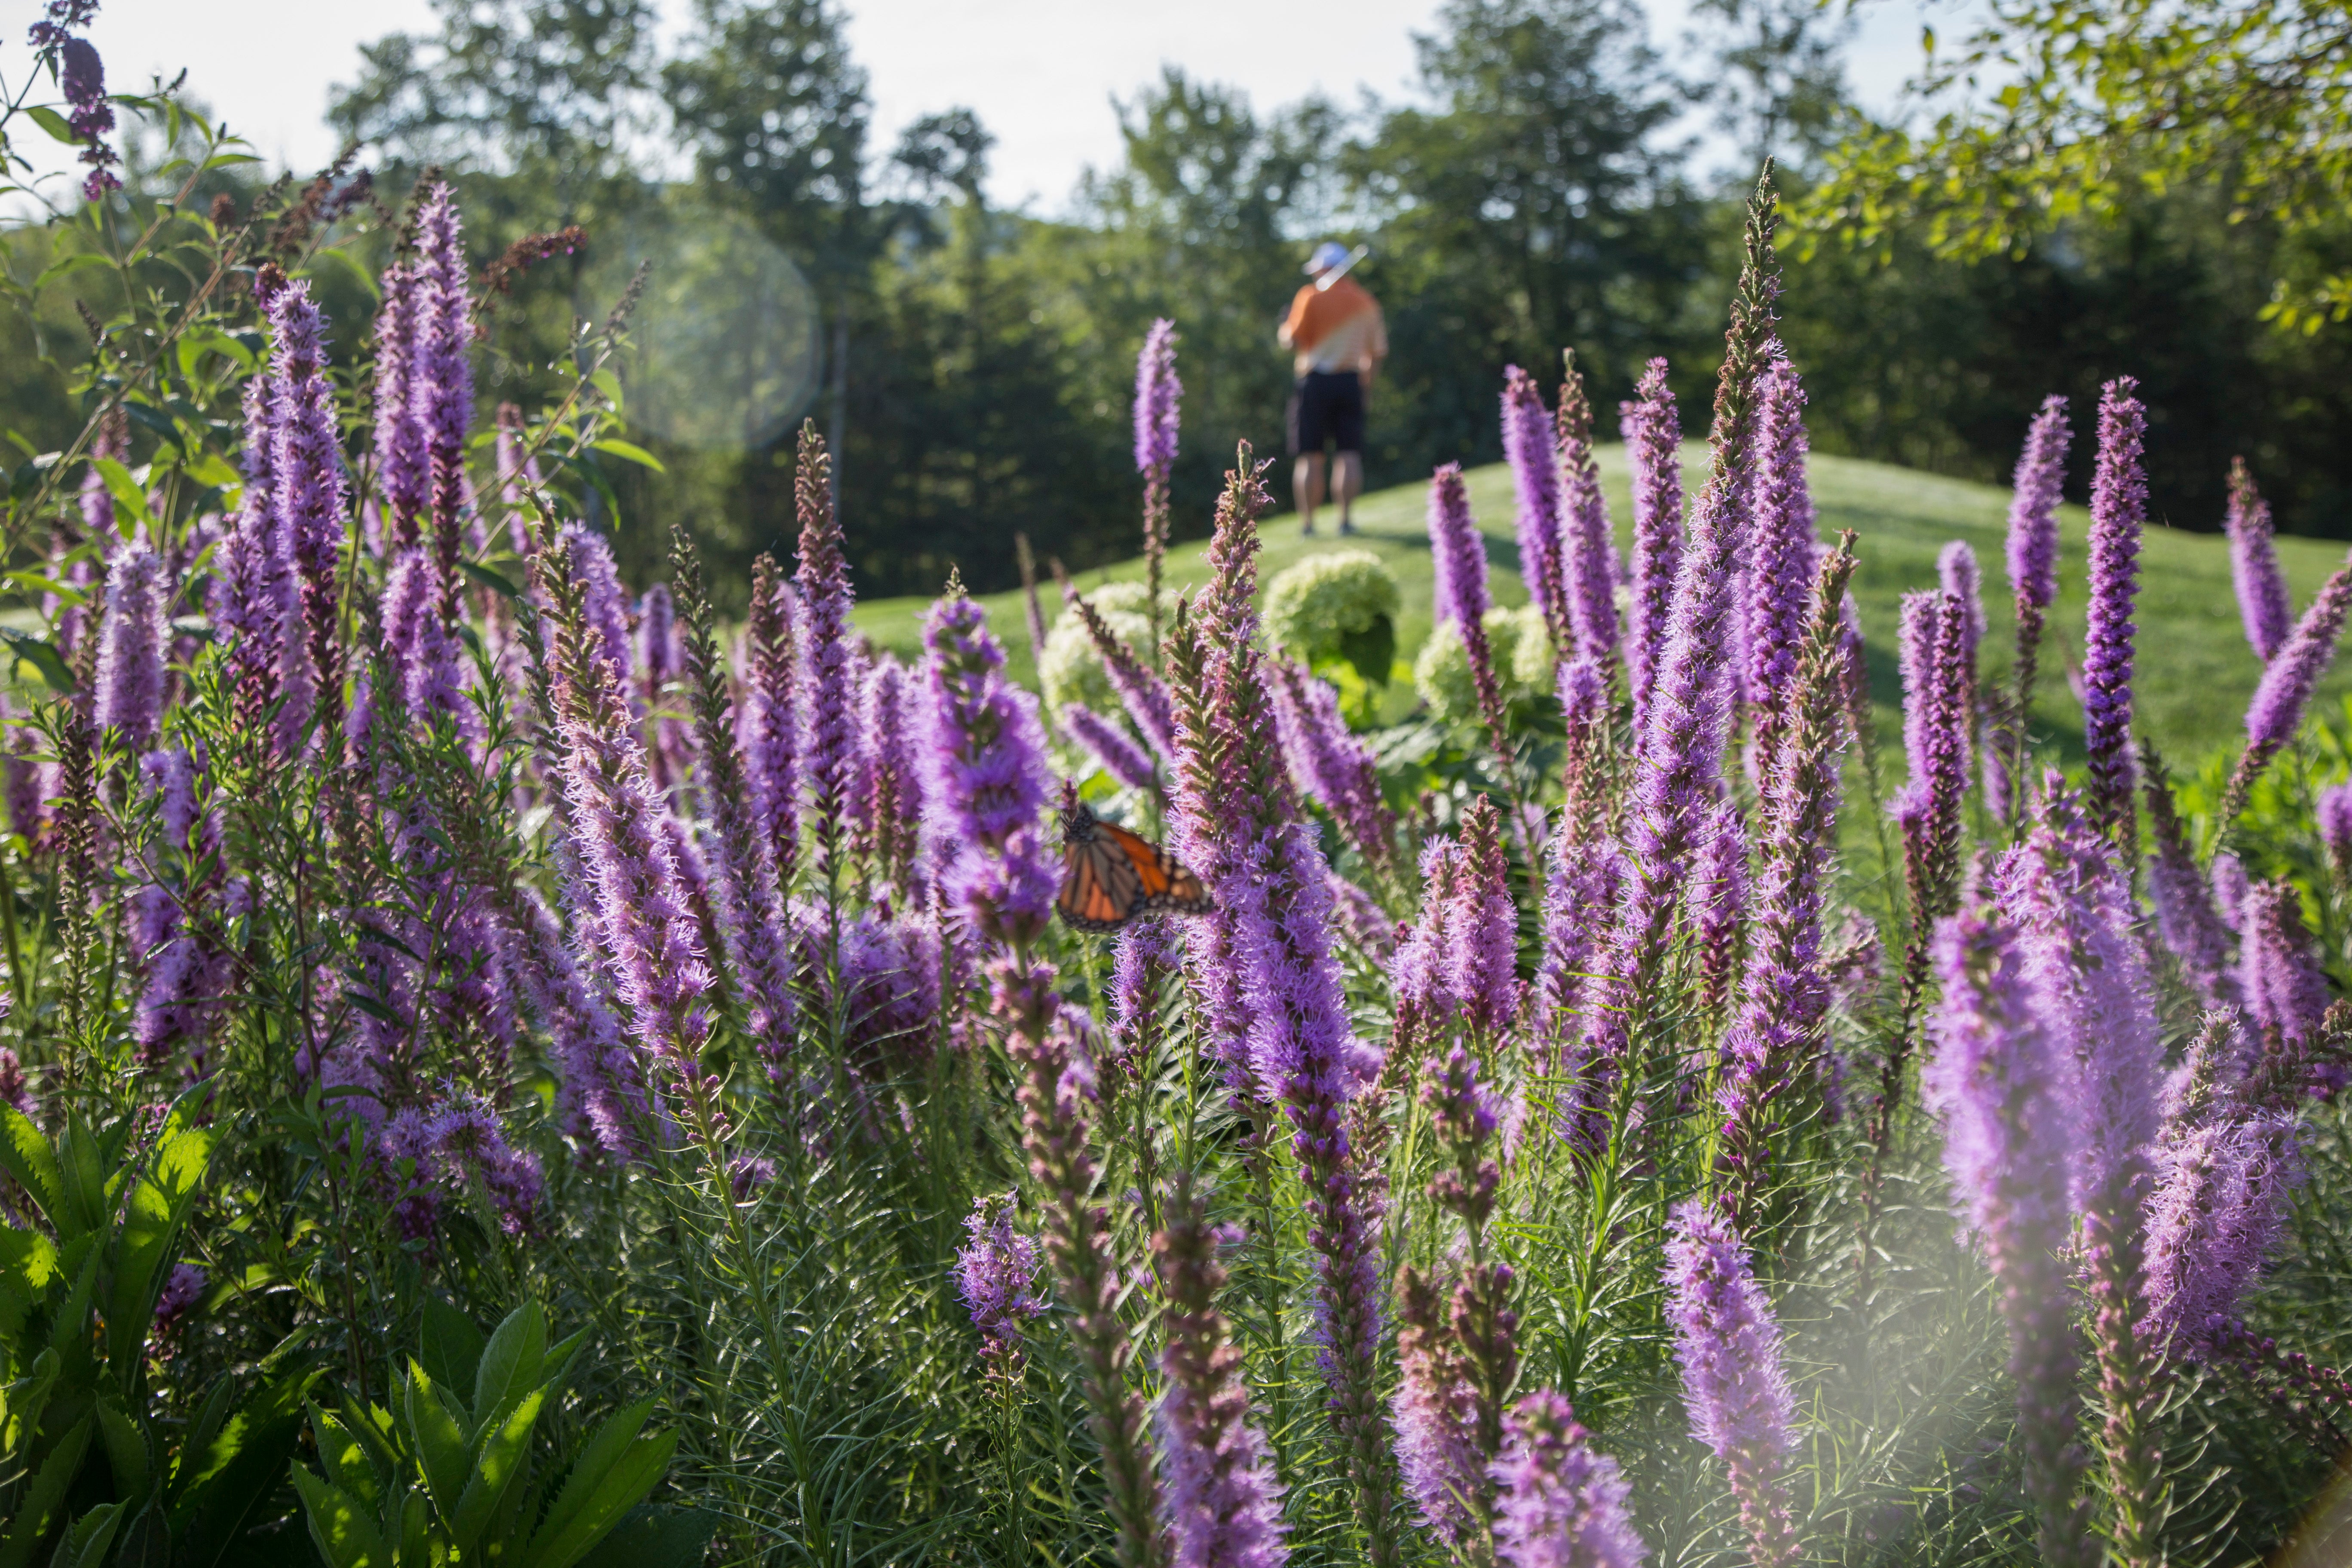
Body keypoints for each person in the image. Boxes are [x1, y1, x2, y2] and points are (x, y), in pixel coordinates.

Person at [1279, 240, 1387, 536]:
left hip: (1314, 382)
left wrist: (1283, 327)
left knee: (1310, 456)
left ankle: (1308, 525)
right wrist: (1366, 386)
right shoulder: (1366, 302)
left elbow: (1291, 340)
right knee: (1349, 455)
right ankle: (1346, 520)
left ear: (1326, 270)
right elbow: (1377, 352)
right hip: (1351, 381)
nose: (1315, 276)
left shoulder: (1310, 297)